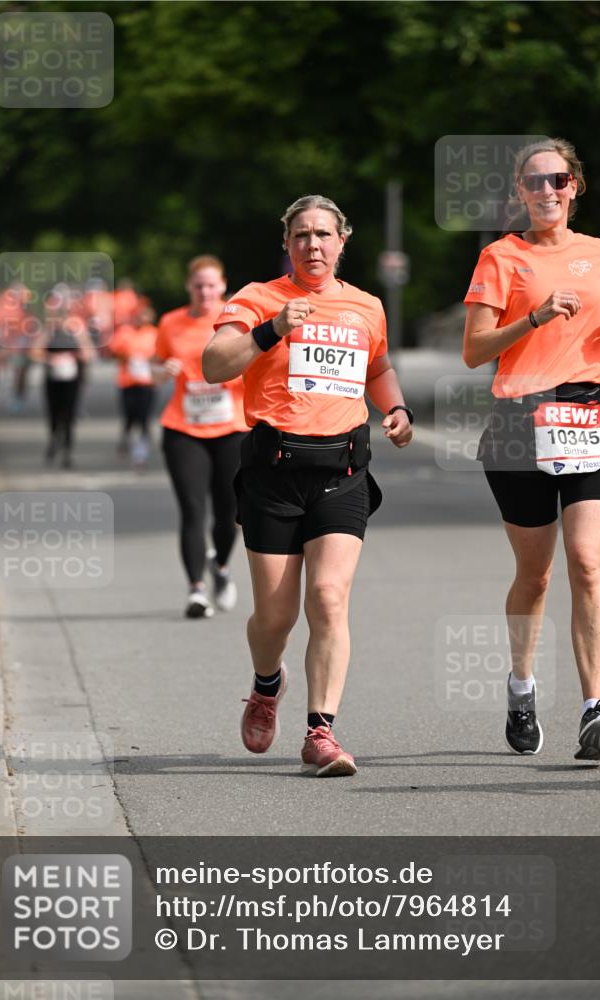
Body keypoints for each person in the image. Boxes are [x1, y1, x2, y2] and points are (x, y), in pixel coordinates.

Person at [203, 194, 413, 776]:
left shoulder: (366, 306)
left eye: (323, 234)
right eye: (301, 236)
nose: (312, 245)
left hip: (342, 473)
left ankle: (321, 733)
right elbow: (215, 364)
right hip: (273, 474)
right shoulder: (258, 298)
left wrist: (396, 410)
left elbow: (378, 367)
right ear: (287, 244)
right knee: (275, 618)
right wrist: (272, 329)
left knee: (328, 598)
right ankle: (267, 684)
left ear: (343, 240)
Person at [463, 137, 600, 762]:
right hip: (518, 422)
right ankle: (523, 684)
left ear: (574, 187)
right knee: (536, 575)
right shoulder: (500, 257)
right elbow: (475, 351)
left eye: (557, 180)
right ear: (520, 193)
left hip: (587, 415)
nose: (546, 191)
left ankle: (594, 709)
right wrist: (531, 321)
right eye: (534, 183)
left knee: (587, 562)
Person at [153, 256, 247, 618]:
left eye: (211, 285)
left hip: (231, 428)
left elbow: (258, 363)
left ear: (222, 286)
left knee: (231, 512)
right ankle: (196, 590)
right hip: (183, 428)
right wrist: (163, 371)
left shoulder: (237, 320)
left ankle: (220, 567)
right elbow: (154, 364)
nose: (205, 291)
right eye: (198, 285)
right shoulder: (171, 322)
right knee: (192, 510)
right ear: (188, 288)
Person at [30, 291, 96, 468]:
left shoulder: (76, 329)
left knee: (69, 415)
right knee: (53, 413)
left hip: (71, 380)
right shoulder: (49, 330)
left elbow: (89, 353)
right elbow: (35, 352)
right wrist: (50, 359)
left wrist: (74, 356)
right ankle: (53, 441)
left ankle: (67, 451)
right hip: (52, 379)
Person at [109, 306, 158, 469]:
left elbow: (162, 355)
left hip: (147, 383)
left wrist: (150, 360)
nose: (143, 319)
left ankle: (140, 456)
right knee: (129, 418)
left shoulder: (154, 333)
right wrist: (128, 356)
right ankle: (125, 441)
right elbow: (113, 352)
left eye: (146, 315)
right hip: (128, 382)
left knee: (144, 419)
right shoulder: (125, 332)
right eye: (140, 315)